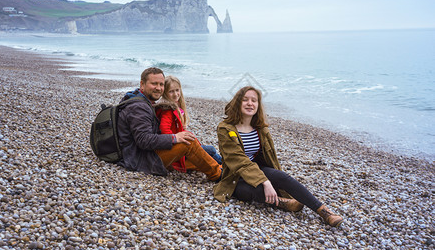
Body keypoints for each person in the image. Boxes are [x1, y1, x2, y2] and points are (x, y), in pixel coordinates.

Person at [213, 86, 343, 227]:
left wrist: (274, 178)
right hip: (235, 177)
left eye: (254, 100)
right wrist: (265, 181)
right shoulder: (225, 128)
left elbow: (270, 158)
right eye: (245, 100)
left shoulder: (260, 128)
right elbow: (238, 160)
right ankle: (283, 202)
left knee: (282, 177)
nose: (250, 103)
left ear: (258, 105)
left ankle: (324, 211)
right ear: (237, 103)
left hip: (256, 168)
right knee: (254, 189)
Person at [117, 67, 221, 181]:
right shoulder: (138, 108)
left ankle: (221, 167)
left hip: (146, 154)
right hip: (141, 160)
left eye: (161, 84)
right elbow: (144, 140)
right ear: (142, 84)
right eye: (154, 84)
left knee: (192, 148)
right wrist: (174, 137)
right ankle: (218, 174)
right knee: (188, 142)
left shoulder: (141, 100)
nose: (158, 88)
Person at [155, 75, 222, 173]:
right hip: (176, 147)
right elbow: (164, 129)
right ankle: (223, 166)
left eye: (177, 90)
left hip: (179, 145)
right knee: (211, 150)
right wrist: (176, 138)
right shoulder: (167, 110)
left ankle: (223, 165)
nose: (175, 94)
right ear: (165, 93)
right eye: (171, 91)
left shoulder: (176, 106)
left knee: (209, 152)